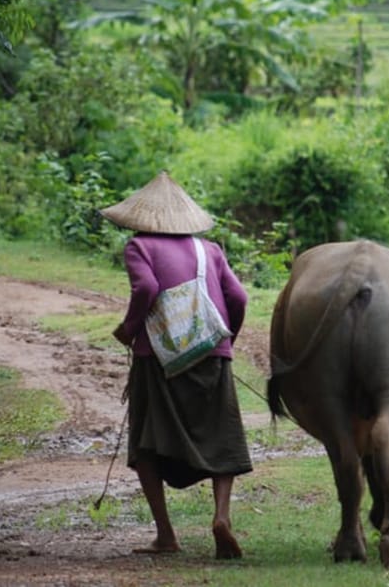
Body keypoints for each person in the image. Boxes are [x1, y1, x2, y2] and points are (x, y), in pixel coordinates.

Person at [100, 171, 252, 560]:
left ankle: (166, 534)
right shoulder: (211, 251)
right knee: (224, 436)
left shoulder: (139, 247)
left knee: (146, 442)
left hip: (160, 361)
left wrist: (128, 329)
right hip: (213, 356)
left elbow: (147, 289)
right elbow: (239, 298)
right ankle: (221, 518)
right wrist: (224, 341)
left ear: (143, 216)